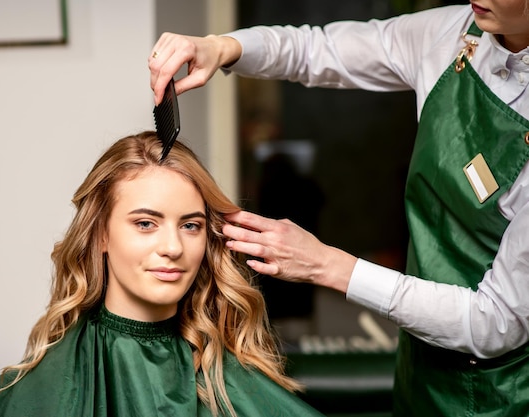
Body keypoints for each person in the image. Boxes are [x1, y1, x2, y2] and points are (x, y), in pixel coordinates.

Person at [148, 1, 529, 416]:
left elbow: (494, 322)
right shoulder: (456, 32)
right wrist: (222, 47)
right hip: (421, 364)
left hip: (504, 392)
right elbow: (317, 50)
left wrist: (329, 266)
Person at [0, 131, 324, 417]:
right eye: (146, 223)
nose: (173, 247)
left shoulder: (227, 380)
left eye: (190, 226)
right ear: (101, 235)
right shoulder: (50, 381)